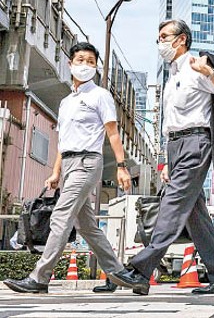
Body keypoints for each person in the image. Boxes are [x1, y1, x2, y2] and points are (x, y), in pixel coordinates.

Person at [109, 19, 214, 295]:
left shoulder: (196, 67)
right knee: (195, 215)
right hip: (176, 145)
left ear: (181, 40)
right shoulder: (171, 77)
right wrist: (169, 160)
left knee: (171, 204)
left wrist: (211, 74)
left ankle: (140, 270)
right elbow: (173, 121)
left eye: (164, 36)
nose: (160, 43)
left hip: (196, 142)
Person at [3, 42, 131, 294]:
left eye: (91, 61)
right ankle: (117, 274)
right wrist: (55, 172)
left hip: (87, 162)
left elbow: (113, 133)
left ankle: (39, 278)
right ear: (70, 64)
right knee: (88, 227)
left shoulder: (100, 95)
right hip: (70, 163)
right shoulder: (66, 102)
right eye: (81, 60)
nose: (86, 65)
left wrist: (121, 166)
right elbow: (63, 142)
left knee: (61, 217)